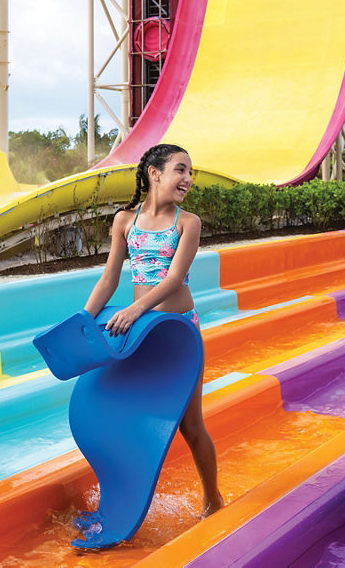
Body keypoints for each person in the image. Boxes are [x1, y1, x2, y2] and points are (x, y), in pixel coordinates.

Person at [82, 143, 224, 518]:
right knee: (124, 417)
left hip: (179, 334)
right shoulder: (124, 221)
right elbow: (109, 278)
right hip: (142, 332)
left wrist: (135, 309)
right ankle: (123, 501)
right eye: (180, 170)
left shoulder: (187, 223)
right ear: (155, 174)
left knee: (191, 427)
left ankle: (213, 500)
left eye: (190, 172)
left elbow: (175, 279)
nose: (188, 179)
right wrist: (83, 320)